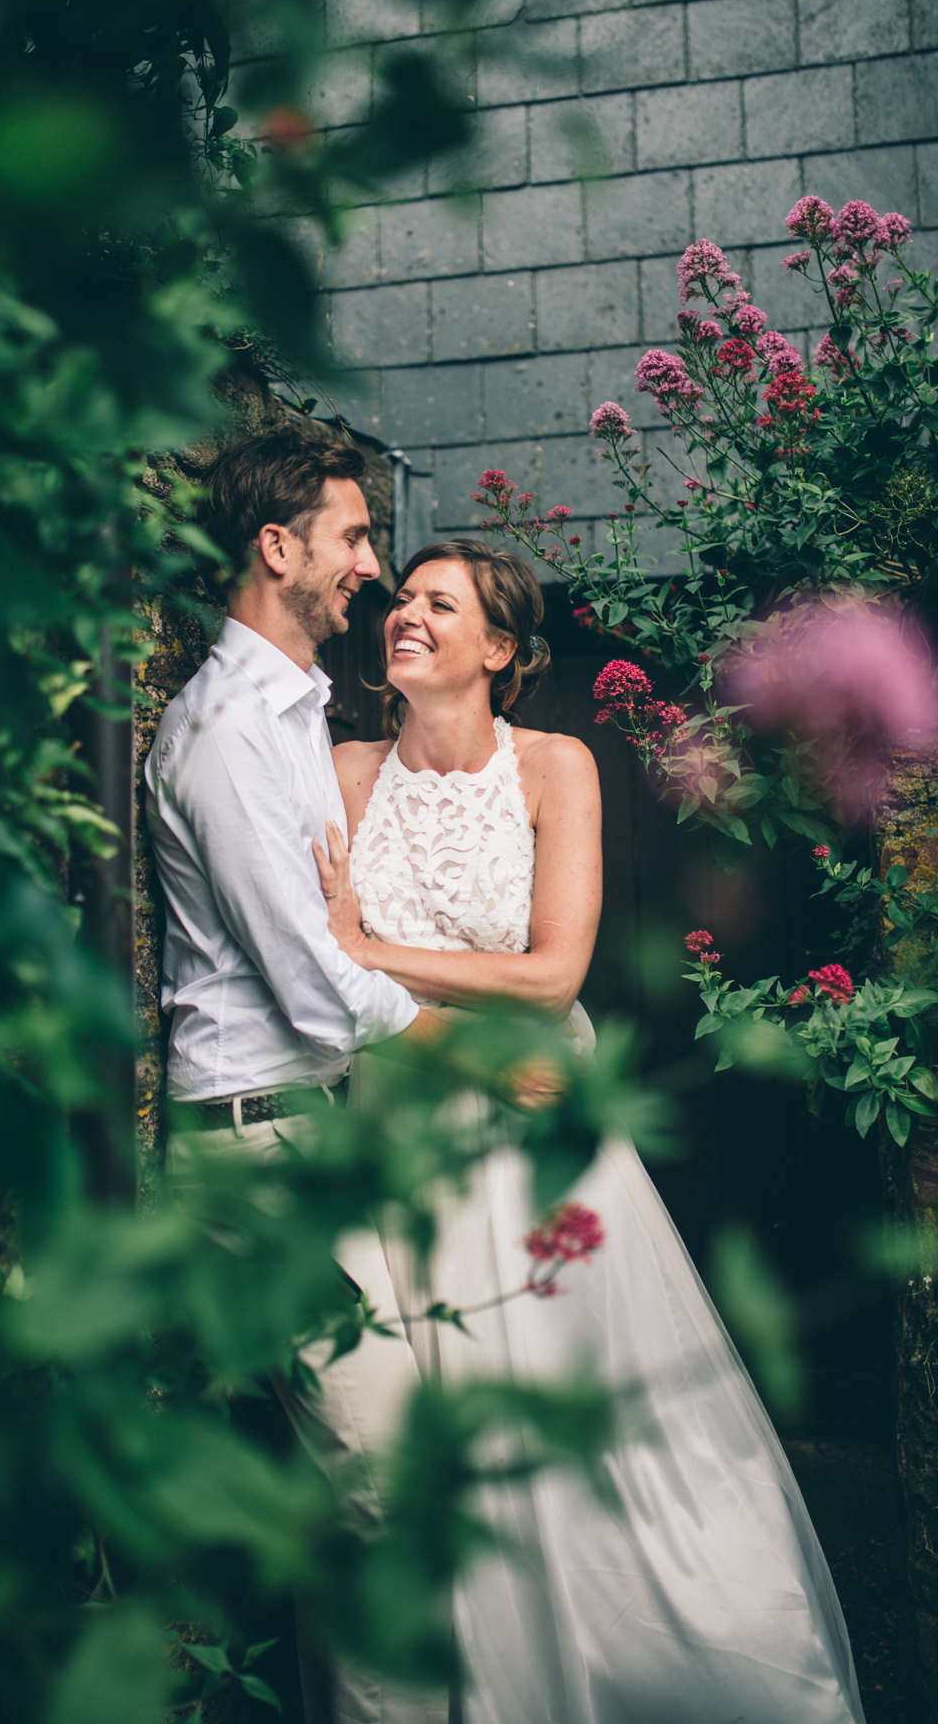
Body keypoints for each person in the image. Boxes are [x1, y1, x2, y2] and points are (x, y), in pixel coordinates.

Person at [312, 537, 866, 1724]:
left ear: (500, 648)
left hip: (540, 1140)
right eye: (401, 599)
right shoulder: (344, 770)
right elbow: (325, 989)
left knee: (594, 1432)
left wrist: (368, 951)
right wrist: (390, 987)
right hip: (401, 1134)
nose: (403, 615)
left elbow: (554, 974)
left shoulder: (557, 765)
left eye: (437, 605)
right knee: (429, 1453)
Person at [144, 429, 446, 1724]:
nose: (370, 570)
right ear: (279, 549)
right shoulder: (221, 734)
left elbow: (337, 939)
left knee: (371, 1497)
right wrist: (459, 1043)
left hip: (307, 1126)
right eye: (354, 539)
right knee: (380, 1490)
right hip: (259, 1146)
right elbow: (310, 979)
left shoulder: (289, 716)